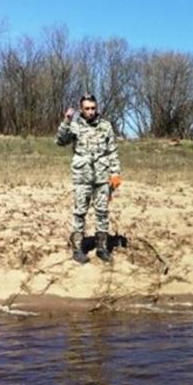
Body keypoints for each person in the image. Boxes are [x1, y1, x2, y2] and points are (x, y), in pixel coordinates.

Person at [55, 93, 121, 264]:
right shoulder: (74, 125)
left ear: (96, 108)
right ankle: (78, 248)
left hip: (101, 177)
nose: (90, 112)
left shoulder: (105, 126)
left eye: (93, 108)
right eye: (87, 109)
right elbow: (60, 141)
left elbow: (112, 150)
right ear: (81, 109)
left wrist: (115, 173)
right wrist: (66, 121)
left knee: (102, 213)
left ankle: (102, 247)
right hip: (82, 177)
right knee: (79, 213)